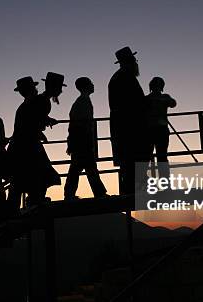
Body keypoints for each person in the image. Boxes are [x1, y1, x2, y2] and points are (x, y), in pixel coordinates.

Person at [8, 74, 62, 208]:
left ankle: (24, 205)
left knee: (22, 179)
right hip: (27, 145)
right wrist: (41, 127)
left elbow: (32, 118)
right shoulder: (40, 101)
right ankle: (34, 202)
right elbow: (33, 120)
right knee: (39, 175)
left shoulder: (30, 102)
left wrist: (45, 121)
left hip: (21, 145)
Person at [108, 46, 149, 195]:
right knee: (136, 158)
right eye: (134, 60)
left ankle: (132, 191)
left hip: (122, 125)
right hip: (131, 126)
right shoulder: (126, 77)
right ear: (130, 61)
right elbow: (134, 102)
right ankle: (135, 192)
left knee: (129, 161)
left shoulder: (118, 77)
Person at [64, 77, 108, 200]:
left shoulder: (81, 101)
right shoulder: (83, 102)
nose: (93, 84)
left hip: (79, 139)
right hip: (83, 139)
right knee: (87, 167)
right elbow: (80, 124)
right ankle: (98, 193)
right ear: (86, 86)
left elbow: (74, 124)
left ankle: (70, 194)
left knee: (80, 167)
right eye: (91, 83)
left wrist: (71, 142)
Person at [145, 77, 177, 178]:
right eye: (156, 86)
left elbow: (173, 103)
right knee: (146, 157)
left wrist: (162, 101)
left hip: (161, 130)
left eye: (159, 86)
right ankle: (142, 182)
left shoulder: (165, 97)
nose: (157, 88)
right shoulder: (146, 99)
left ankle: (165, 183)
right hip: (149, 130)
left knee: (162, 157)